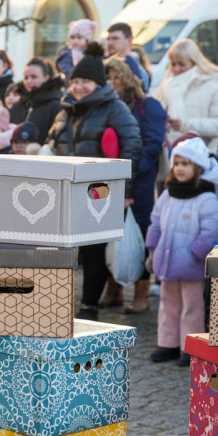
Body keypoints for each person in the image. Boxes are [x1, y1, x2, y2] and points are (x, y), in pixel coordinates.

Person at [47, 42, 142, 320]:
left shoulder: (115, 108)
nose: (78, 87)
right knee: (62, 250)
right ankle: (57, 303)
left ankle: (89, 307)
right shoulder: (66, 109)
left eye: (85, 81)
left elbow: (132, 146)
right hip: (67, 189)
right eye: (75, 81)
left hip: (100, 190)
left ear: (99, 84)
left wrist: (125, 188)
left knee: (93, 251)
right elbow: (53, 142)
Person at [146, 137, 218, 365]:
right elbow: (155, 221)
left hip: (191, 263)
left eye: (186, 164)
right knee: (168, 303)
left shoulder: (206, 197)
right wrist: (152, 249)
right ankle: (168, 343)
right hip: (168, 261)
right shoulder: (169, 193)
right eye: (177, 163)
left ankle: (190, 347)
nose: (179, 168)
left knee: (192, 307)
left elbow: (211, 228)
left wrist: (196, 254)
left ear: (198, 168)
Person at [100, 57, 166, 314]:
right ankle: (113, 289)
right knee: (110, 234)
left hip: (139, 181)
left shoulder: (148, 105)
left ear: (129, 77)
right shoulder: (106, 105)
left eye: (117, 76)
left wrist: (130, 175)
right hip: (110, 181)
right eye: (108, 78)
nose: (113, 82)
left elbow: (151, 145)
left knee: (139, 234)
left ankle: (141, 292)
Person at [9, 57, 65, 140]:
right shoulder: (16, 107)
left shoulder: (55, 107)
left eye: (34, 77)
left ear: (46, 78)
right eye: (26, 77)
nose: (28, 81)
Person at [104, 23, 149, 92]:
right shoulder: (104, 62)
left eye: (115, 38)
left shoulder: (138, 70)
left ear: (129, 40)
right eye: (108, 39)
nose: (110, 43)